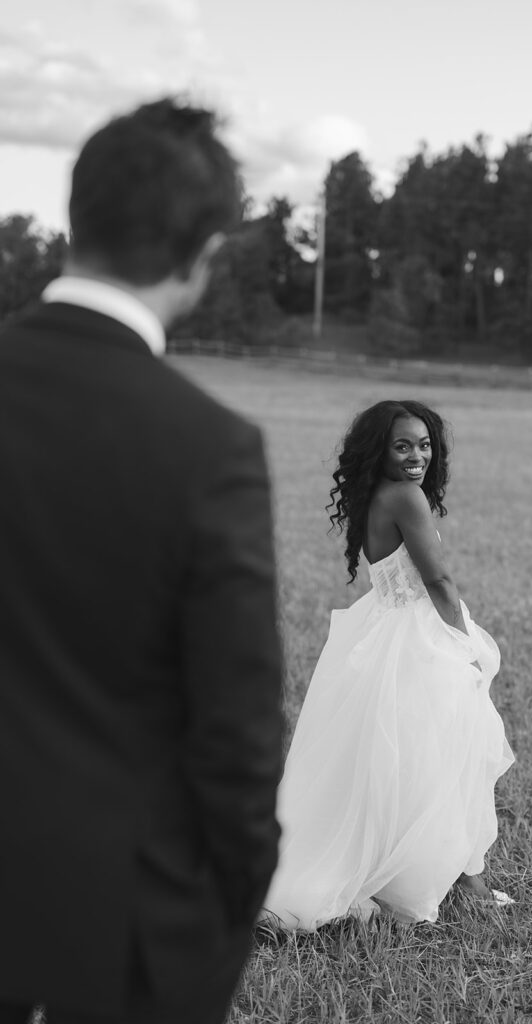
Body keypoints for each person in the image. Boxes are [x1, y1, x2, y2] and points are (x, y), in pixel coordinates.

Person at [0, 98, 282, 1023]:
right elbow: (236, 733)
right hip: (107, 930)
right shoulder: (209, 449)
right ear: (203, 255)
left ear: (74, 219)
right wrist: (233, 905)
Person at [261, 399, 514, 930]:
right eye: (403, 445)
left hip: (382, 627)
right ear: (381, 449)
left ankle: (456, 879)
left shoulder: (378, 493)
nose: (417, 455)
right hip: (417, 635)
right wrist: (462, 644)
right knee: (444, 757)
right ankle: (454, 883)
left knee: (409, 761)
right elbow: (438, 582)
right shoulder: (406, 496)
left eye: (424, 444)